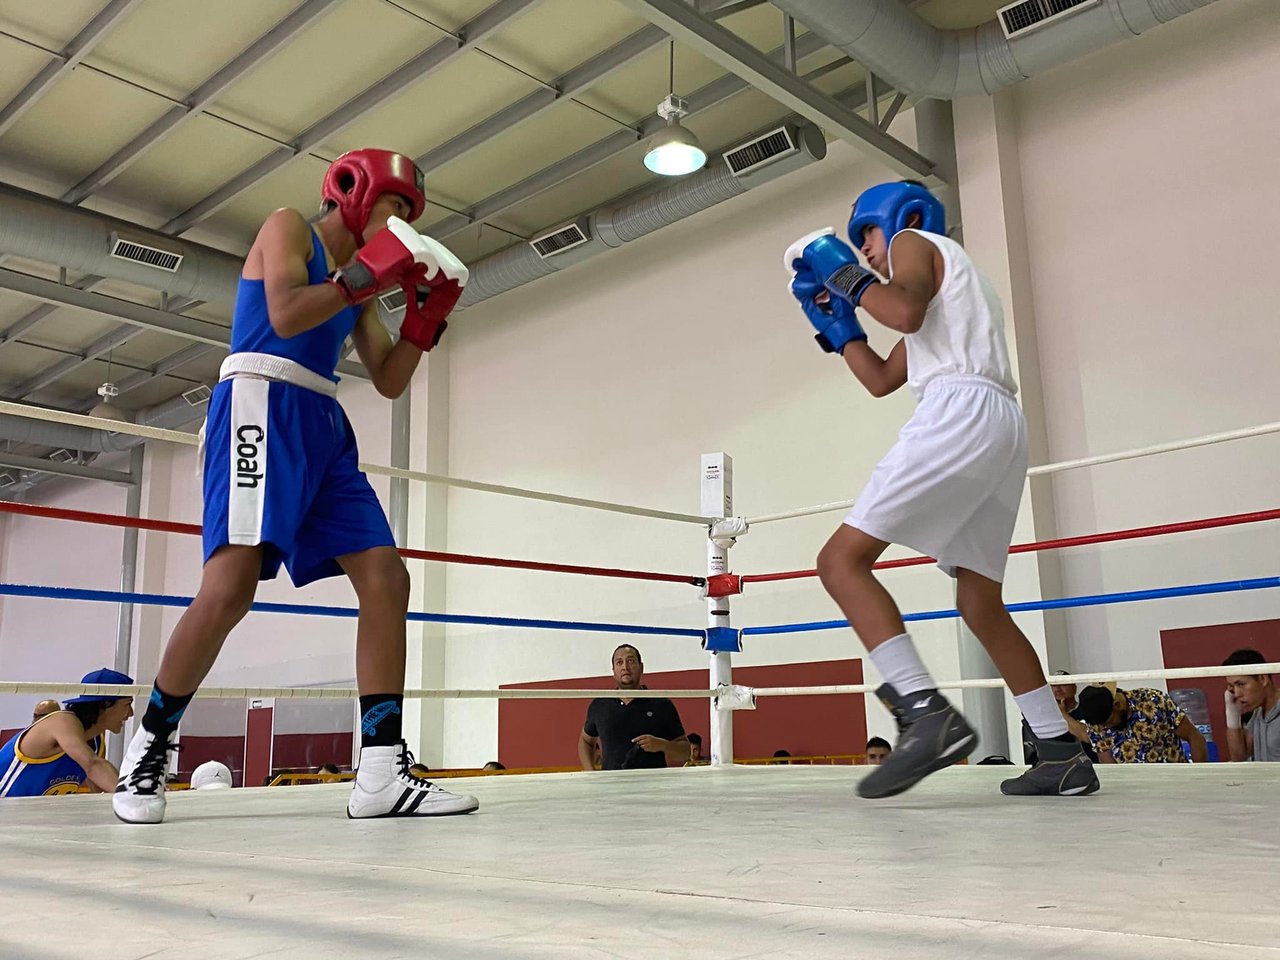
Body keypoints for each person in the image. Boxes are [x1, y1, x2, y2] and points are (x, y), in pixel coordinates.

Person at [113, 149, 476, 824]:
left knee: (386, 579)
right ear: (354, 193)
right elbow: (283, 314)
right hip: (260, 401)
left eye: (408, 213)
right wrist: (365, 276)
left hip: (322, 424)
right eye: (395, 205)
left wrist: (425, 321)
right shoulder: (289, 229)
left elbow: (390, 379)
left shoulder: (357, 283)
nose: (402, 221)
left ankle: (380, 771)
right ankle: (149, 748)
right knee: (230, 588)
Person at [786, 181, 1096, 799]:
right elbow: (881, 378)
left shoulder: (914, 242)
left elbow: (902, 312)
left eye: (866, 233)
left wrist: (842, 274)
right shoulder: (947, 293)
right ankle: (1061, 751)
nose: (866, 248)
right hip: (1001, 426)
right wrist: (839, 326)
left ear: (898, 217)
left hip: (961, 412)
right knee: (979, 603)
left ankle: (924, 713)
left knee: (840, 561)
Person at [0, 669, 133, 797]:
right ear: (106, 704)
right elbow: (93, 765)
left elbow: (101, 789)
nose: (131, 713)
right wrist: (132, 799)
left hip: (33, 811)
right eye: (128, 704)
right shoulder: (62, 721)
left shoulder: (95, 741)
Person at [578, 645, 688, 770]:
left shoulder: (661, 704)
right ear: (613, 671)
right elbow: (586, 741)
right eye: (619, 662)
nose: (625, 667)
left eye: (630, 661)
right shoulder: (600, 705)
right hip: (611, 782)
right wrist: (591, 773)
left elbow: (685, 752)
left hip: (653, 781)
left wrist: (663, 745)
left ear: (641, 667)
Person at [1077, 684, 1207, 763]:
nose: (1106, 728)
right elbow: (1108, 762)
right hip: (1134, 790)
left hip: (1175, 780)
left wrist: (1200, 779)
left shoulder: (1153, 701)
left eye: (1109, 722)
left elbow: (1194, 737)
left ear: (1117, 705)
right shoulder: (1095, 722)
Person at [1222, 648, 1280, 761]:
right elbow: (1239, 758)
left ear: (1262, 679)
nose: (1236, 693)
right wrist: (1232, 716)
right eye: (1232, 686)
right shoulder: (1259, 712)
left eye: (1241, 684)